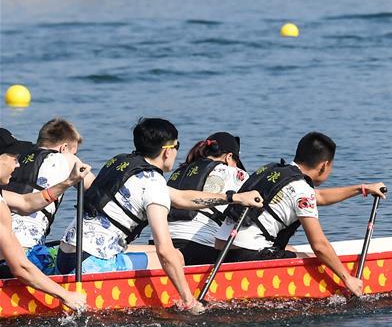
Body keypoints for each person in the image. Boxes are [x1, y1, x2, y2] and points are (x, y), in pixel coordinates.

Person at [55, 118, 262, 314]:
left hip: (67, 257)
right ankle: (175, 300)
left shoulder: (121, 163)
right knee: (175, 256)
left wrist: (234, 197)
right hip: (91, 266)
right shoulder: (153, 183)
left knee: (154, 251)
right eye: (177, 147)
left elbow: (181, 198)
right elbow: (165, 251)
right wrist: (190, 301)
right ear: (167, 151)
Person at [216, 132, 386, 297]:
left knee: (293, 249)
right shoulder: (302, 189)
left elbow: (318, 196)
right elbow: (319, 245)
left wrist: (361, 189)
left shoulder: (276, 171)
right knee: (314, 258)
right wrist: (347, 278)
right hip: (248, 255)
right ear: (324, 165)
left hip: (221, 249)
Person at [0, 127, 87, 311]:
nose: (17, 165)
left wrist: (68, 182)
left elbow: (25, 202)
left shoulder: (3, 195)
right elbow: (21, 268)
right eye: (14, 158)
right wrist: (66, 295)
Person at [5, 118, 96, 273]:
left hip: (5, 250)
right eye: (75, 151)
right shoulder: (65, 158)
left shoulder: (14, 160)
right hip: (25, 256)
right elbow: (97, 192)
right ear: (64, 147)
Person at [168, 132, 249, 265]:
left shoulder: (179, 171)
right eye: (236, 161)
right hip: (196, 248)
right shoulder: (233, 172)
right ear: (229, 157)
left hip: (161, 243)